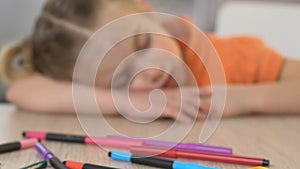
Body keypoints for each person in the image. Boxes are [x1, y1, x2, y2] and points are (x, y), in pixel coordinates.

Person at [0, 0, 300, 123]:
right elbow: (21, 92)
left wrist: (244, 99)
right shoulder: (115, 94)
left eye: (143, 44)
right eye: (122, 78)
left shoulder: (232, 56)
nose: (150, 70)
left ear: (145, 9)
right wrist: (125, 102)